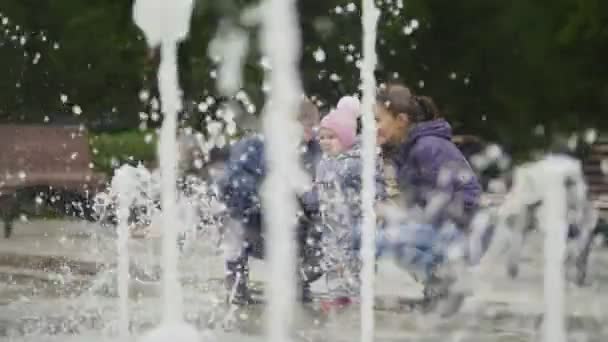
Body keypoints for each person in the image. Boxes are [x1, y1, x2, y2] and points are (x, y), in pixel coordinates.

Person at [373, 83, 484, 313]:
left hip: (461, 228)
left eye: (378, 120)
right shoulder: (413, 146)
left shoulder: (426, 147)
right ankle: (438, 286)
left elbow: (439, 202)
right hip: (455, 225)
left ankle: (445, 282)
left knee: (382, 241)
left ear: (401, 120)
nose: (374, 127)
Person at [219, 97, 323, 304]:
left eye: (316, 125)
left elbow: (325, 186)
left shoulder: (314, 151)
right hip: (254, 222)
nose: (315, 131)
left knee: (318, 225)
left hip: (292, 227)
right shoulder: (253, 147)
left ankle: (299, 281)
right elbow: (230, 184)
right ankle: (237, 282)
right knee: (233, 223)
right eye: (309, 125)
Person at [301, 96, 386, 305]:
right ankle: (338, 299)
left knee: (355, 266)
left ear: (347, 138)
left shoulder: (357, 162)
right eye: (321, 137)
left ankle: (354, 302)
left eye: (331, 137)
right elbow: (319, 189)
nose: (324, 142)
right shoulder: (324, 162)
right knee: (333, 264)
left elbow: (377, 184)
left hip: (356, 227)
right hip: (332, 226)